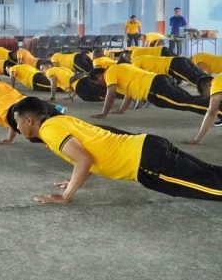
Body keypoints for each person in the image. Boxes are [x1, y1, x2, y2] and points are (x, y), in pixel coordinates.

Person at [13, 96, 222, 203]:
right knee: (211, 172)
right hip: (148, 144)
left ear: (29, 120)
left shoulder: (49, 131)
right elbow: (92, 151)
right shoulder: (60, 121)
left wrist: (66, 195)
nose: (17, 127)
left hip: (146, 162)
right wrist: (76, 180)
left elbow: (83, 160)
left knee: (212, 186)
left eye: (17, 122)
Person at [90, 63, 212, 119]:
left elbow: (110, 93)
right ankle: (214, 105)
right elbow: (129, 94)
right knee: (188, 100)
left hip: (153, 88)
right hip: (160, 79)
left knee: (185, 102)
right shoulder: (121, 68)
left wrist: (104, 113)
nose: (101, 84)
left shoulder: (109, 73)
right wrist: (122, 110)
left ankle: (217, 108)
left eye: (98, 82)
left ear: (100, 76)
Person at [184, 76, 222, 144]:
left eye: (208, 96)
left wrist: (198, 139)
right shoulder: (219, 78)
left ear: (208, 87)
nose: (210, 98)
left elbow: (211, 113)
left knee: (217, 106)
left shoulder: (216, 85)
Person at [132, 55, 207, 85]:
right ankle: (216, 84)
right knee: (202, 75)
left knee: (196, 81)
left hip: (172, 65)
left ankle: (215, 93)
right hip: (179, 59)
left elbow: (136, 76)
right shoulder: (140, 57)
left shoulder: (134, 63)